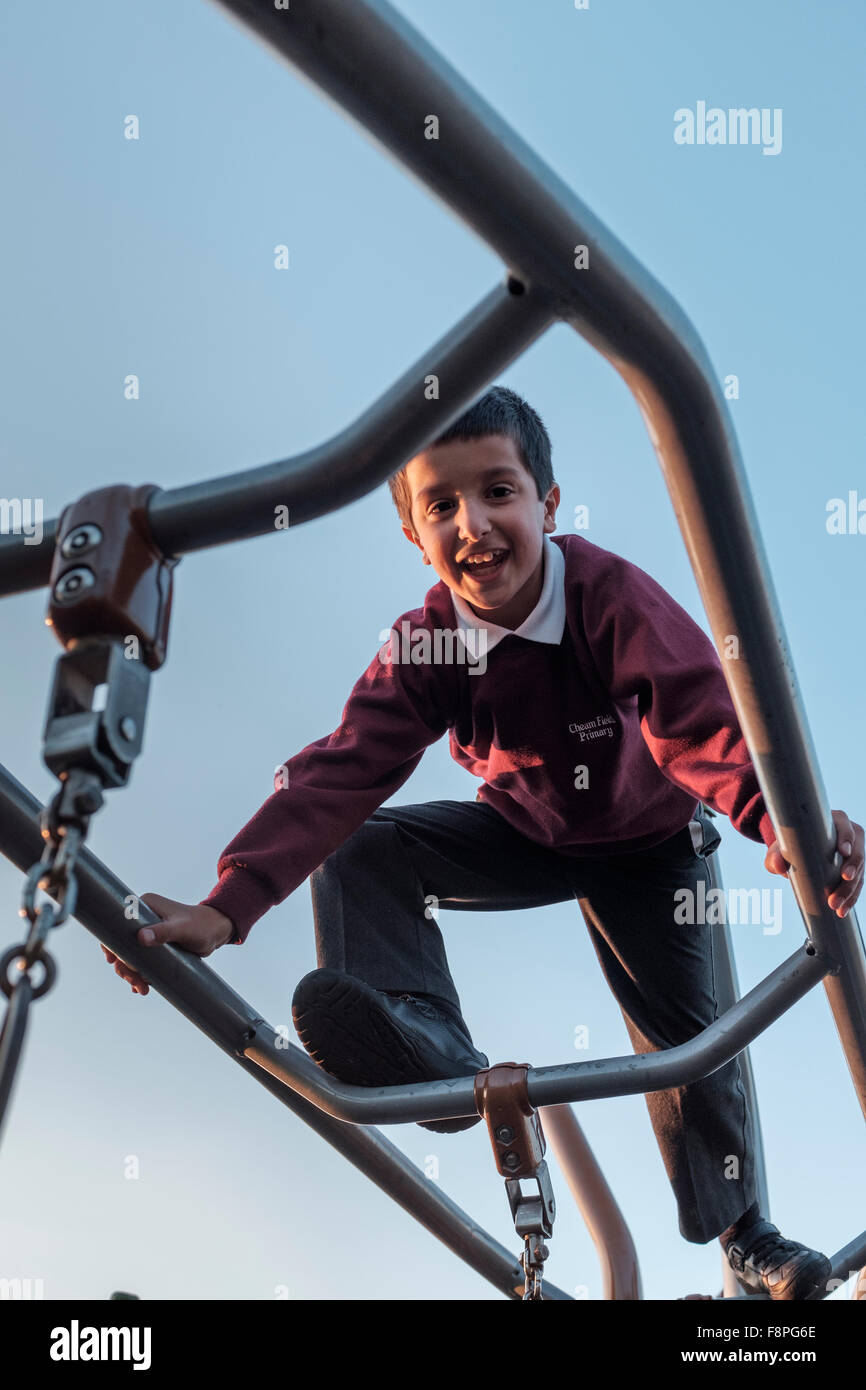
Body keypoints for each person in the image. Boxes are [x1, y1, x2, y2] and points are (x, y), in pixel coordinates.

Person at [102, 387, 863, 1301]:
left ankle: (747, 1236)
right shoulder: (426, 644)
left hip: (646, 838)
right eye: (442, 505)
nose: (475, 523)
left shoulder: (604, 594)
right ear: (413, 536)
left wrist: (780, 817)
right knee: (363, 845)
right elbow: (341, 769)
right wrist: (227, 905)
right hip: (527, 829)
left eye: (498, 492)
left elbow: (696, 711)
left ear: (546, 503)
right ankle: (424, 1030)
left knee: (685, 1039)